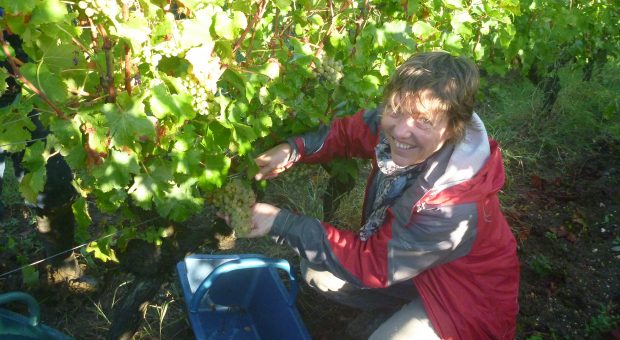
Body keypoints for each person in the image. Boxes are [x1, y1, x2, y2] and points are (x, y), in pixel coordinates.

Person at [246, 51, 520, 339]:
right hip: (411, 264)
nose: (401, 130)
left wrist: (280, 223)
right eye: (395, 110)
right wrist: (294, 149)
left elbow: (372, 264)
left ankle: (401, 322)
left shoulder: (451, 206)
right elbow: (350, 132)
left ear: (453, 127)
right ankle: (398, 310)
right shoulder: (403, 121)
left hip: (463, 298)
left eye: (423, 121)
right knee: (317, 270)